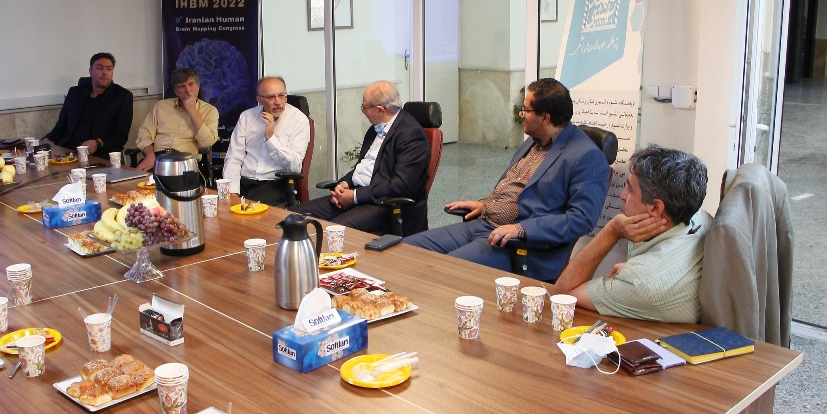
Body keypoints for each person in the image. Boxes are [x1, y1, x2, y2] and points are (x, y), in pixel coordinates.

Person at [403, 78, 610, 281]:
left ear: (545, 118)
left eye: (526, 110)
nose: (521, 114)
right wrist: (485, 204)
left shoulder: (586, 156)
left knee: (439, 272)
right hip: (483, 224)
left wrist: (521, 229)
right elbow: (516, 188)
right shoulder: (533, 141)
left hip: (518, 246)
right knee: (404, 251)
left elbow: (582, 219)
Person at [554, 145, 711, 323]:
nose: (622, 195)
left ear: (655, 208)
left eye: (630, 188)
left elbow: (564, 293)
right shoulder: (700, 217)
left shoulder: (641, 281)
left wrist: (612, 231)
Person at [293, 80, 430, 233]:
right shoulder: (375, 130)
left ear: (380, 110)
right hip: (360, 194)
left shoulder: (411, 135)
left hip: (384, 204)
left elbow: (401, 186)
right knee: (292, 216)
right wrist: (344, 183)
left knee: (332, 232)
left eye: (364, 107)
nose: (363, 111)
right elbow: (364, 167)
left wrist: (355, 196)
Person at [222, 76, 310, 207]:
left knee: (248, 210)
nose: (278, 102)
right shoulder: (247, 117)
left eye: (281, 95)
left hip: (274, 184)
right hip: (242, 181)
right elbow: (234, 157)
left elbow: (295, 166)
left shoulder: (299, 120)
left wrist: (271, 138)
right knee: (218, 205)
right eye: (271, 97)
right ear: (259, 100)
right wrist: (232, 191)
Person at [41, 52, 133, 156]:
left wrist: (98, 143)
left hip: (98, 153)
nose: (104, 72)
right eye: (99, 68)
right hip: (67, 151)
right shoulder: (75, 93)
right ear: (90, 71)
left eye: (109, 69)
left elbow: (121, 136)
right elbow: (60, 127)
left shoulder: (122, 96)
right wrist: (47, 139)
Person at [135, 67, 219, 171]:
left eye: (191, 84)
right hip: (158, 159)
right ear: (175, 91)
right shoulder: (160, 106)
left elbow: (206, 143)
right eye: (181, 86)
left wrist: (192, 110)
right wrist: (150, 155)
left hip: (185, 163)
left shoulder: (210, 111)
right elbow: (144, 135)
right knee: (137, 179)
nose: (187, 90)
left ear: (198, 86)